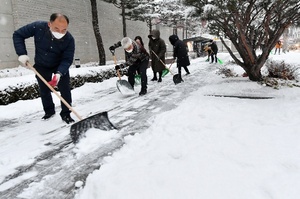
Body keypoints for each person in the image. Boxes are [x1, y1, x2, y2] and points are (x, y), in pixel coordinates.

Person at [12, 13, 75, 124]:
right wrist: (22, 54)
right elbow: (18, 35)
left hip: (59, 64)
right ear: (49, 24)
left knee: (65, 90)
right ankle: (49, 111)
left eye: (64, 30)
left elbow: (67, 59)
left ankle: (66, 114)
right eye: (56, 28)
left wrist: (59, 73)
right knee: (44, 89)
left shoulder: (69, 39)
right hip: (42, 64)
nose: (60, 33)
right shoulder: (38, 27)